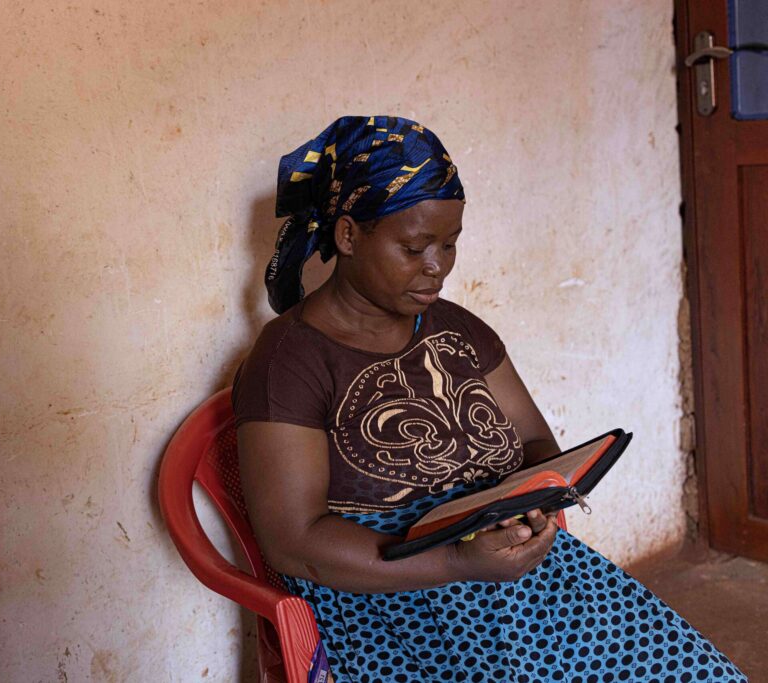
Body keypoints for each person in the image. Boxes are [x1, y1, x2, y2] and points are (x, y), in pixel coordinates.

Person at [232, 116, 747, 683]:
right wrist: (454, 561)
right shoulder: (290, 361)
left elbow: (533, 441)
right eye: (414, 247)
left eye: (449, 244)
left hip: (525, 575)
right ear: (349, 235)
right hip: (398, 603)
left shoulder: (455, 328)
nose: (438, 266)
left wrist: (535, 502)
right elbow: (295, 542)